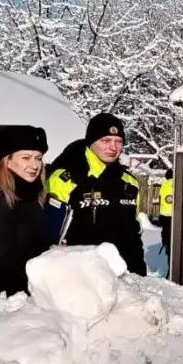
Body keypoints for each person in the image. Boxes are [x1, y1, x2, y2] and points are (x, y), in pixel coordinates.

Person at [44, 112, 147, 276]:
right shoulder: (66, 179)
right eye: (105, 141)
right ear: (91, 142)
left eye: (118, 141)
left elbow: (134, 234)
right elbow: (50, 237)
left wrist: (139, 272)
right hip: (82, 278)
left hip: (126, 277)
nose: (113, 147)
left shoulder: (130, 183)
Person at [0, 125, 52, 296]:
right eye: (26, 158)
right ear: (7, 160)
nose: (34, 165)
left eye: (38, 158)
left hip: (32, 291)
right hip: (11, 297)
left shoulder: (34, 195)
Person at [158, 168, 174, 263]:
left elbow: (160, 200)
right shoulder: (176, 184)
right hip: (174, 216)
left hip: (164, 215)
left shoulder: (164, 185)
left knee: (167, 237)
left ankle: (168, 253)